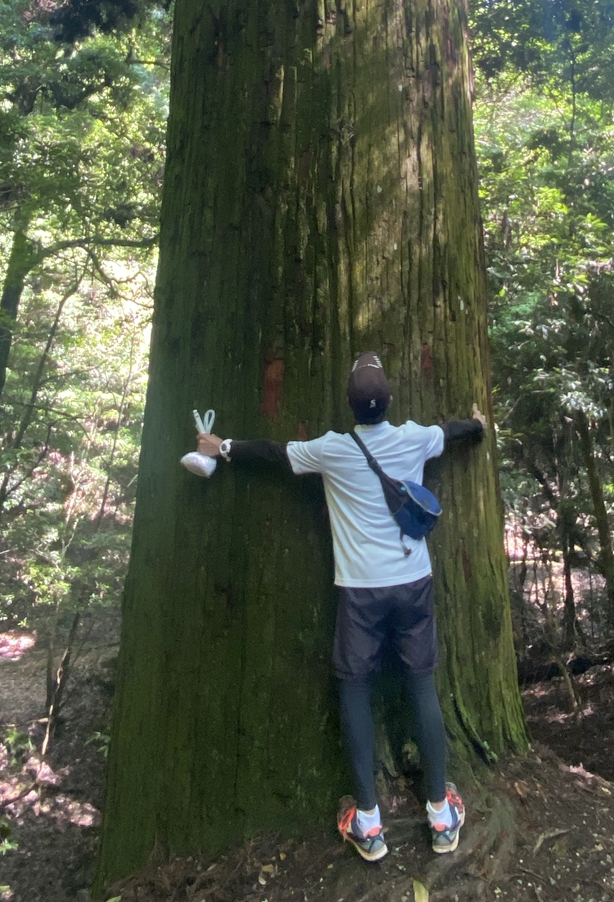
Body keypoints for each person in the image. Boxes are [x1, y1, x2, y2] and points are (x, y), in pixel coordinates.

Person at [195, 350, 486, 862]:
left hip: (360, 591)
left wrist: (223, 447)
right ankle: (441, 812)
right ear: (390, 402)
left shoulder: (331, 449)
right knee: (421, 684)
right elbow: (454, 431)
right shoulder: (415, 437)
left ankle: (369, 823)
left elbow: (274, 453)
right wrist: (479, 425)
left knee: (354, 687)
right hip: (413, 581)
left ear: (351, 407)